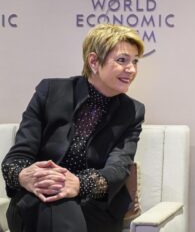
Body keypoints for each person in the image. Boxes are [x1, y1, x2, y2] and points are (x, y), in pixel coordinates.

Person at [2, 24, 145, 232]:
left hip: (93, 209)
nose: (131, 69)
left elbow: (118, 168)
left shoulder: (132, 111)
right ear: (94, 61)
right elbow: (16, 158)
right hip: (36, 199)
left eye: (135, 61)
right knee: (52, 199)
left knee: (58, 201)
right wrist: (25, 176)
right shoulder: (50, 91)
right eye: (122, 60)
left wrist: (78, 184)